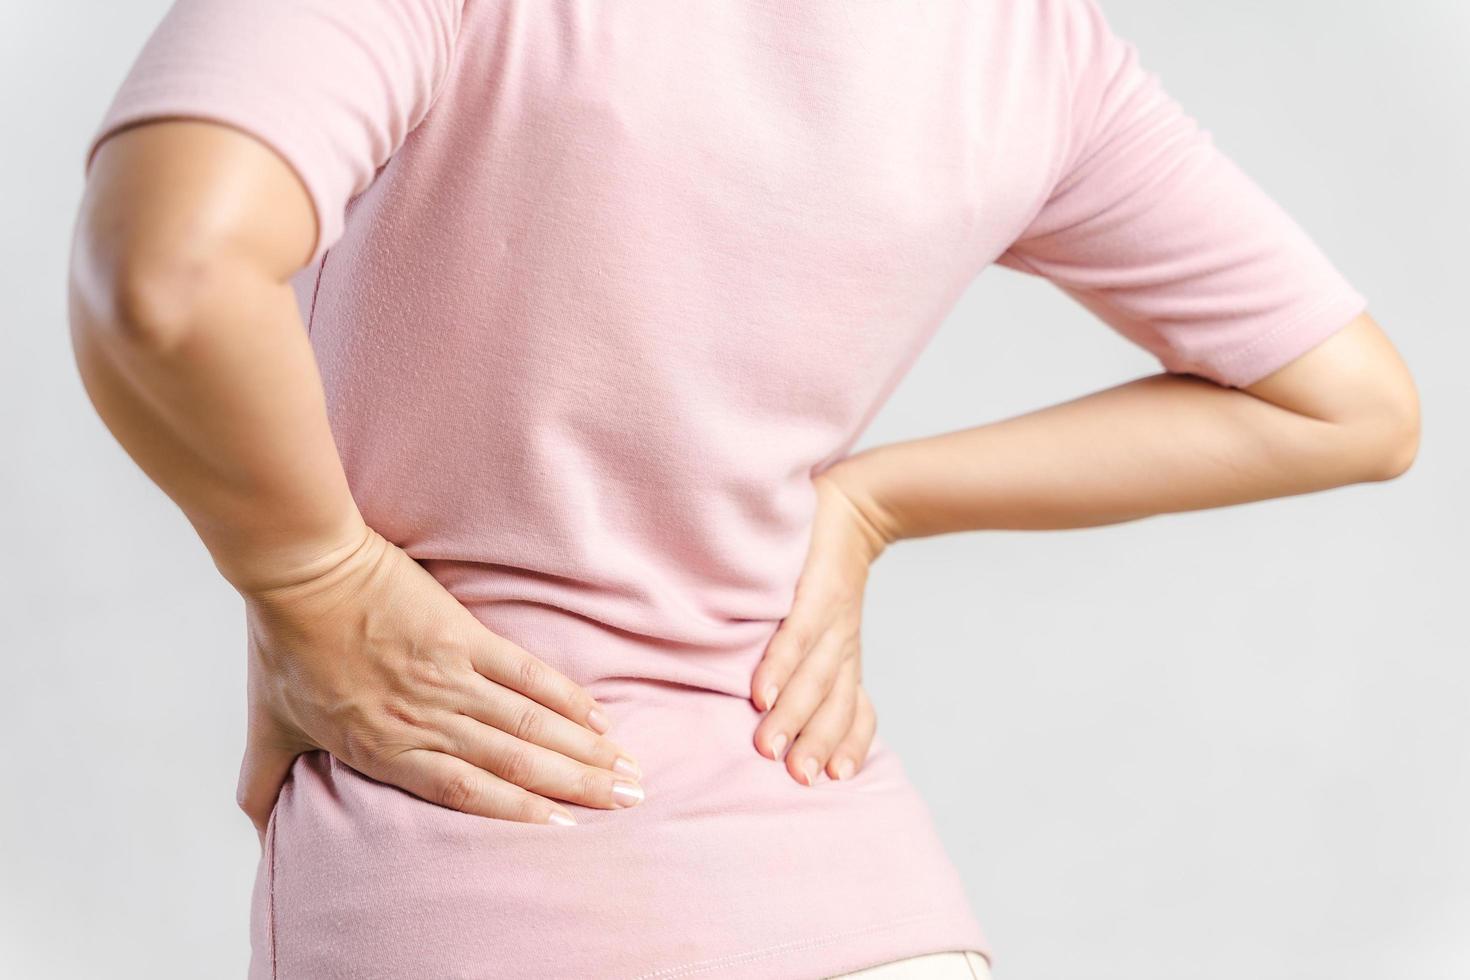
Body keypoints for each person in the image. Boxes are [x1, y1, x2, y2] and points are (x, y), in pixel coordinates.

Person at [68, 0, 1418, 977]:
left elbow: (174, 278)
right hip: (865, 908)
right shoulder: (1034, 46)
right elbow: (1350, 405)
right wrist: (871, 500)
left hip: (481, 853)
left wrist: (314, 575)